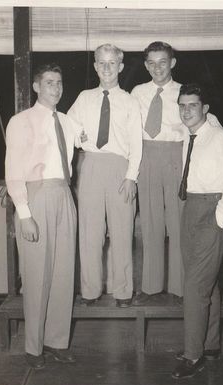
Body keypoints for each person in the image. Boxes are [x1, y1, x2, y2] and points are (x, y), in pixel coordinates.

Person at [131, 41, 223, 305]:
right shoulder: (137, 92)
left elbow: (207, 120)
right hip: (146, 156)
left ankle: (182, 287)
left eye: (163, 62)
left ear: (172, 63)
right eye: (152, 63)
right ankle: (151, 286)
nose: (157, 68)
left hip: (176, 158)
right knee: (150, 222)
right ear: (146, 65)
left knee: (179, 224)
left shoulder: (183, 92)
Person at [5, 63, 81, 369]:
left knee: (63, 273)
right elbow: (12, 172)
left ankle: (56, 341)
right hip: (35, 197)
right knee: (37, 274)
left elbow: (101, 138)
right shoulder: (21, 121)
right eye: (49, 83)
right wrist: (24, 213)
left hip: (65, 193)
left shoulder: (68, 122)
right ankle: (33, 348)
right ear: (37, 87)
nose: (56, 88)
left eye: (60, 83)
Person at [171, 83, 223, 379]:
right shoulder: (187, 136)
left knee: (193, 288)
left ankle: (193, 356)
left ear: (205, 109)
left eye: (192, 105)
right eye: (182, 105)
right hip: (189, 209)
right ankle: (210, 345)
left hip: (212, 214)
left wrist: (219, 219)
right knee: (207, 283)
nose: (186, 110)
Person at [67, 44, 142, 308]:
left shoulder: (130, 101)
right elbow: (69, 125)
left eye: (112, 63)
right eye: (102, 63)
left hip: (120, 169)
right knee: (90, 233)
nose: (107, 68)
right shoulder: (84, 97)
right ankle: (90, 291)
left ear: (120, 67)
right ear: (96, 66)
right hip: (91, 166)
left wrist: (131, 177)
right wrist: (80, 137)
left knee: (123, 231)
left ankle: (123, 292)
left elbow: (136, 142)